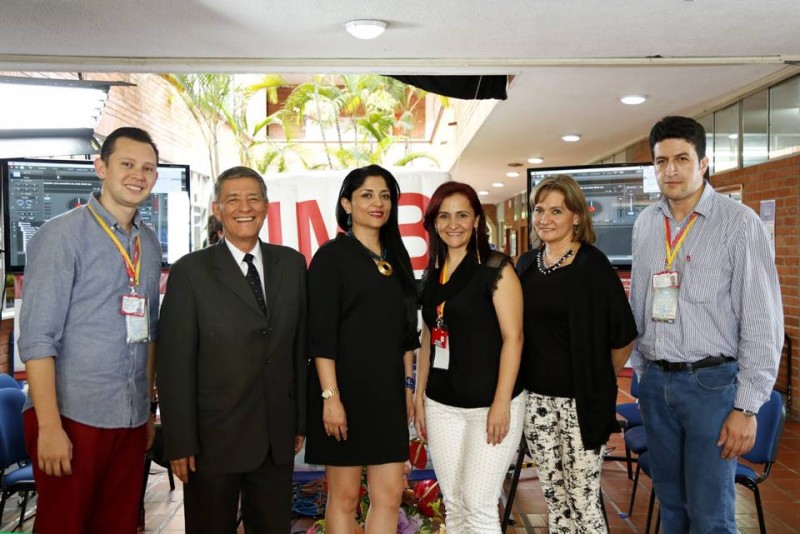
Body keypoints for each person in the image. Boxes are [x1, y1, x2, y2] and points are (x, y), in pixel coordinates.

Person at [630, 116, 784, 533]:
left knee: (711, 514)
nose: (671, 170)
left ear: (704, 163)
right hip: (657, 385)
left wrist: (747, 407)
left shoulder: (739, 223)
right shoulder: (646, 225)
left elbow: (762, 320)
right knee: (672, 506)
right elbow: (640, 302)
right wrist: (642, 372)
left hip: (712, 387)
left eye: (682, 159)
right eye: (661, 161)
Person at [18, 127, 161, 533]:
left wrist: (147, 412)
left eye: (147, 168)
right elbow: (38, 340)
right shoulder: (61, 235)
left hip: (129, 419)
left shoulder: (147, 243)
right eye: (127, 164)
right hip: (71, 417)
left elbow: (147, 331)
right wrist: (49, 427)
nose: (138, 175)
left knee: (118, 525)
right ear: (101, 167)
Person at [156, 166, 307, 534]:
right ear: (217, 209)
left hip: (276, 437)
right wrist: (178, 440)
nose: (245, 207)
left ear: (266, 206)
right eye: (233, 199)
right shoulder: (190, 271)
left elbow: (298, 347)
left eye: (253, 198)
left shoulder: (291, 263)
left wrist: (300, 419)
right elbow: (174, 363)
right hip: (211, 442)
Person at [516, 175, 637, 532]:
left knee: (582, 499)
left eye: (557, 210)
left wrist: (598, 376)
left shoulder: (593, 265)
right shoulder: (525, 265)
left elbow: (624, 336)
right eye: (540, 210)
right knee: (554, 497)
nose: (545, 218)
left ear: (577, 217)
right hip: (536, 401)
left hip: (581, 403)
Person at [304, 165, 419, 533]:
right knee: (346, 499)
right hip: (344, 395)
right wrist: (330, 397)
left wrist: (406, 388)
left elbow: (407, 337)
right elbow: (321, 336)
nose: (378, 203)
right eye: (367, 195)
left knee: (388, 497)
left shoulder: (397, 258)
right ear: (347, 204)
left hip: (387, 395)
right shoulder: (331, 257)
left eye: (385, 195)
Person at [414, 181, 525, 533]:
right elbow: (429, 339)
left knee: (478, 505)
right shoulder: (433, 272)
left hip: (489, 405)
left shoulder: (497, 268)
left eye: (462, 214)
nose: (453, 224)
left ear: (477, 218)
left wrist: (502, 402)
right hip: (442, 405)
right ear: (433, 222)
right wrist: (419, 397)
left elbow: (514, 338)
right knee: (456, 503)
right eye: (444, 216)